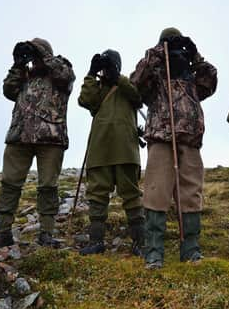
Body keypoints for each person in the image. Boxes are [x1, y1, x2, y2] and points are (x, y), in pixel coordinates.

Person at [130, 28, 217, 269]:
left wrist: (194, 55)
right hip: (161, 137)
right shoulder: (154, 72)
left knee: (191, 194)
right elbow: (135, 82)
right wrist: (159, 51)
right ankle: (154, 251)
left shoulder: (192, 73)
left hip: (189, 139)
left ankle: (191, 249)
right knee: (156, 193)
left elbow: (211, 80)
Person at [0, 38, 75, 250]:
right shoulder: (24, 76)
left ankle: (46, 234)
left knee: (48, 186)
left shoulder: (61, 72)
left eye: (35, 54)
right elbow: (8, 90)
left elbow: (66, 76)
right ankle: (2, 233)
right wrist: (18, 64)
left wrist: (44, 55)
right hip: (19, 137)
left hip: (50, 138)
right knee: (9, 185)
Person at [77, 49, 145, 256]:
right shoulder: (98, 90)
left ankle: (140, 243)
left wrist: (118, 77)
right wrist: (91, 72)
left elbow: (139, 97)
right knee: (97, 197)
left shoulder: (127, 86)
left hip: (124, 149)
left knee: (132, 195)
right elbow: (84, 100)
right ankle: (96, 241)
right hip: (101, 151)